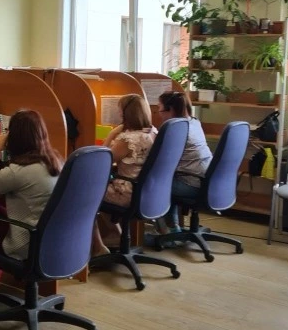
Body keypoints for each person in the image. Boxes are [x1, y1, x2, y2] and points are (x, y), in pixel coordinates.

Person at [0, 110, 63, 314]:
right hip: (55, 244)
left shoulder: (20, 172)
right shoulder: (56, 161)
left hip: (28, 246)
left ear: (14, 138)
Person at [91, 94, 157, 256]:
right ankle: (116, 236)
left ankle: (99, 247)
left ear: (126, 114)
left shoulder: (128, 140)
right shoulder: (153, 132)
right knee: (102, 186)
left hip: (127, 192)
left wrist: (112, 134)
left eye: (120, 110)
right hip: (149, 190)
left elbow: (102, 160)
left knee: (85, 194)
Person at [155, 91, 212, 234]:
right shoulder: (194, 122)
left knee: (152, 186)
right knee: (168, 179)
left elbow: (158, 159)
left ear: (170, 109)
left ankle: (168, 233)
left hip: (193, 184)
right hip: (207, 181)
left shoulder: (175, 129)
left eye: (159, 108)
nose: (159, 113)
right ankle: (173, 229)